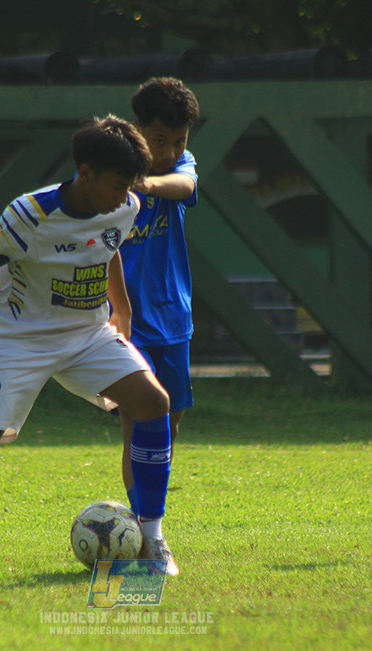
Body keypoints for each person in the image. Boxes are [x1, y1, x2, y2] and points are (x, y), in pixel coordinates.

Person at [0, 115, 179, 579]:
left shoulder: (126, 206)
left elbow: (109, 249)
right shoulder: (28, 214)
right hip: (18, 342)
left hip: (88, 335)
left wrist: (121, 310)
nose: (126, 196)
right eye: (118, 184)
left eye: (131, 186)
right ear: (86, 173)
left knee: (153, 402)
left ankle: (153, 538)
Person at [117, 77, 201, 516]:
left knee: (169, 424)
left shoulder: (178, 167)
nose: (169, 151)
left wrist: (148, 184)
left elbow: (185, 187)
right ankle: (148, 527)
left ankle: (147, 512)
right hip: (126, 323)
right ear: (138, 130)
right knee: (139, 424)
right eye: (158, 141)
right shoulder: (112, 171)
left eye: (178, 141)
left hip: (174, 318)